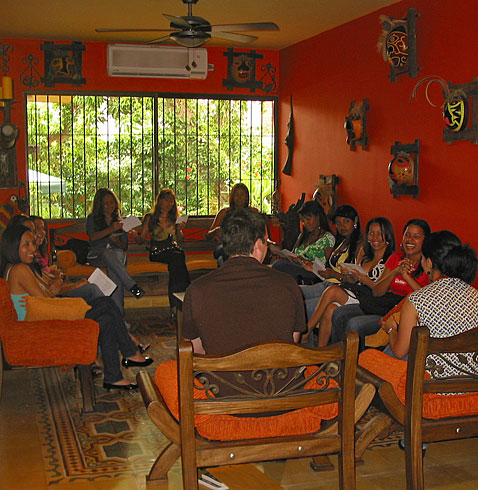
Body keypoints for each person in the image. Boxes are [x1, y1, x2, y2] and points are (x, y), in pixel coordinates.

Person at [0, 225, 153, 390]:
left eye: (33, 243)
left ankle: (115, 376)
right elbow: (46, 300)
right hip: (39, 324)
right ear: (13, 246)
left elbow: (48, 295)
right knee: (106, 305)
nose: (33, 248)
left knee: (106, 317)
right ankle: (129, 353)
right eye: (26, 244)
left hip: (40, 318)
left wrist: (56, 285)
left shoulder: (17, 267)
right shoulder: (20, 269)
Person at [182, 207, 305, 356]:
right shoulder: (288, 284)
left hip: (221, 378)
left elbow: (195, 351)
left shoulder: (197, 290)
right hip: (278, 377)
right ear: (258, 245)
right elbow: (293, 340)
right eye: (266, 241)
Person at [330, 218, 431, 349]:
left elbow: (423, 298)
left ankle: (354, 364)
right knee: (339, 314)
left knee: (354, 324)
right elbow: (377, 291)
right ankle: (336, 358)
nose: (410, 240)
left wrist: (406, 276)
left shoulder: (427, 265)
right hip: (381, 304)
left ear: (425, 240)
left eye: (416, 236)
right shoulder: (396, 258)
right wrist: (395, 272)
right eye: (407, 235)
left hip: (399, 313)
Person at [377, 230, 478, 360]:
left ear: (429, 263)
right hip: (470, 376)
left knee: (375, 358)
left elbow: (399, 351)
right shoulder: (473, 294)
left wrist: (391, 330)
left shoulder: (417, 300)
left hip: (431, 376)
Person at [302, 217, 395, 347]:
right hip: (355, 291)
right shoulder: (365, 254)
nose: (375, 238)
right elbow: (353, 280)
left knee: (332, 291)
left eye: (379, 233)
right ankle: (322, 353)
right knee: (330, 309)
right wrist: (350, 274)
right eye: (371, 233)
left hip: (369, 299)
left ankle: (307, 331)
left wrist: (362, 278)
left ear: (388, 235)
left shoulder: (391, 260)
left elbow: (379, 289)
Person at [86, 188, 145, 314]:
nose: (110, 205)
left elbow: (124, 247)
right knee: (108, 255)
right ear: (99, 205)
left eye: (112, 202)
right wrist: (111, 230)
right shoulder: (92, 218)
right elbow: (92, 238)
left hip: (116, 255)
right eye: (106, 203)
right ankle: (131, 286)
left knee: (115, 272)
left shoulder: (120, 221)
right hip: (97, 254)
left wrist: (116, 240)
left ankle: (120, 318)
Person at [300, 204, 362, 316]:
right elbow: (328, 270)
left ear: (355, 220)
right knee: (294, 291)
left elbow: (357, 279)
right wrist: (312, 268)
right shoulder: (341, 242)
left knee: (302, 307)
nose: (342, 226)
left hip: (340, 289)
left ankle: (304, 332)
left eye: (346, 221)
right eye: (338, 223)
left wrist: (334, 274)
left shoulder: (359, 246)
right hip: (326, 283)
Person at [134, 188, 190, 311]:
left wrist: (179, 229)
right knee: (178, 257)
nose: (169, 203)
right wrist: (133, 234)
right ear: (159, 201)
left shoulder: (175, 218)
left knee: (176, 260)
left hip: (174, 251)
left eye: (171, 201)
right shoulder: (151, 218)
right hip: (158, 252)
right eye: (166, 200)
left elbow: (181, 240)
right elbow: (140, 240)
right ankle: (185, 296)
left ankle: (175, 305)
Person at [271, 200, 335, 283]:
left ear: (318, 217)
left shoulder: (327, 238)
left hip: (314, 273)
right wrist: (282, 253)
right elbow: (293, 254)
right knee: (277, 266)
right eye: (303, 220)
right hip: (298, 268)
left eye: (308, 219)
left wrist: (304, 261)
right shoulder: (303, 236)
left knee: (279, 265)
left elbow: (329, 266)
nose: (305, 223)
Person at [205, 183, 256, 265]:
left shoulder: (252, 213)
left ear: (246, 197)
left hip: (246, 247)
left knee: (221, 260)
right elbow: (208, 235)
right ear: (232, 197)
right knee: (224, 252)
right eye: (236, 194)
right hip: (226, 246)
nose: (239, 197)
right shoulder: (224, 213)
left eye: (242, 194)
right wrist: (216, 230)